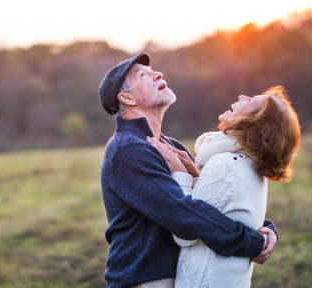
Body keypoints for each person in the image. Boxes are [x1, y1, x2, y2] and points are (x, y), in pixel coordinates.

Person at [99, 53, 278, 288]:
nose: (158, 74)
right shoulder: (128, 149)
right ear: (126, 98)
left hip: (176, 276)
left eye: (152, 70)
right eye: (143, 74)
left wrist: (265, 229)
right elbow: (183, 214)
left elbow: (211, 200)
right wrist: (253, 242)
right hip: (145, 280)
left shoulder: (170, 146)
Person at [148, 86, 300, 287]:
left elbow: (185, 235)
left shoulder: (226, 165)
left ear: (254, 123)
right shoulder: (248, 164)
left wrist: (179, 174)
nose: (241, 96)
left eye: (251, 100)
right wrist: (196, 177)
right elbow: (217, 212)